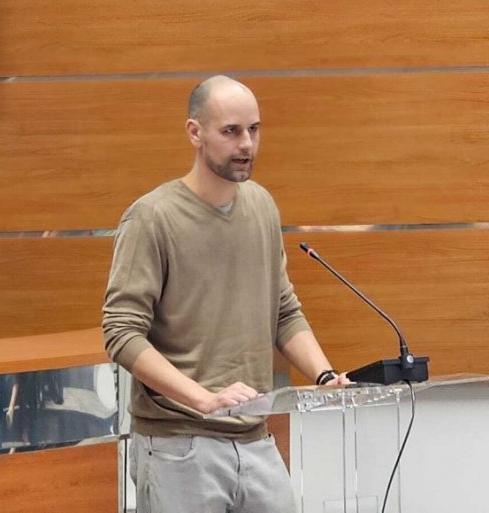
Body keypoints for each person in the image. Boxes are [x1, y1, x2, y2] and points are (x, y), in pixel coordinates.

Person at [102, 75, 348, 513]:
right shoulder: (152, 218)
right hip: (179, 445)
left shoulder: (262, 206)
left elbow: (283, 311)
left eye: (254, 129)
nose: (246, 145)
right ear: (195, 133)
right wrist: (203, 399)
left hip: (255, 437)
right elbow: (122, 334)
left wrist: (325, 376)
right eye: (231, 131)